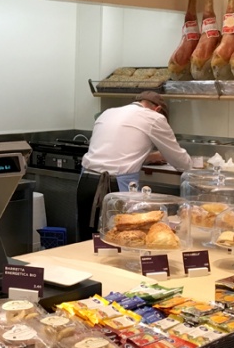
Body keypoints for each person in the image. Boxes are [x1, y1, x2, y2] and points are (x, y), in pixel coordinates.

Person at [76, 91, 191, 241]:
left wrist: (149, 157)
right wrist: (191, 163)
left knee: (87, 240)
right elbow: (182, 163)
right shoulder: (154, 118)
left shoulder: (108, 113)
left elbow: (115, 152)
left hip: (86, 182)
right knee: (121, 238)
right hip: (114, 187)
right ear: (157, 109)